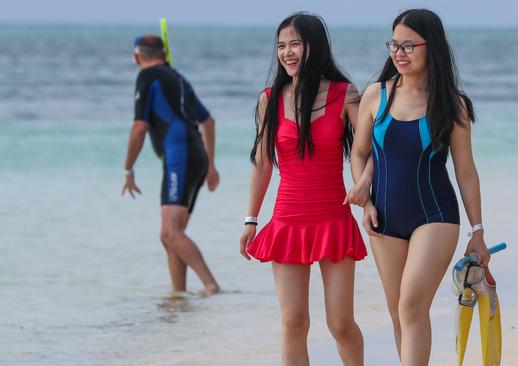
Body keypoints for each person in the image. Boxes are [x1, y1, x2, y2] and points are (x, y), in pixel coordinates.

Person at [346, 9, 491, 365]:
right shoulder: (375, 95)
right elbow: (359, 153)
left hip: (436, 214)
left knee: (411, 303)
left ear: (432, 47)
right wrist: (365, 199)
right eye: (394, 44)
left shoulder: (451, 105)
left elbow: (466, 172)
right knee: (400, 313)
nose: (399, 52)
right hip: (383, 217)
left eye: (409, 45)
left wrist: (478, 231)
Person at [239, 12, 368, 366]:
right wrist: (251, 219)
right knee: (293, 322)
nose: (287, 52)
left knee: (340, 323)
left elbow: (372, 149)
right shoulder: (270, 98)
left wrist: (366, 183)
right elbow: (263, 163)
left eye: (295, 43)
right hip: (288, 220)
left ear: (315, 45)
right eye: (281, 45)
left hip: (333, 218)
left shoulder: (346, 94)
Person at [122, 35, 220, 296]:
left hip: (180, 156)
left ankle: (211, 286)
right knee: (171, 236)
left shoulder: (147, 77)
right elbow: (208, 121)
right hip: (195, 156)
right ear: (163, 54)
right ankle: (179, 295)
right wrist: (210, 165)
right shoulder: (178, 78)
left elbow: (139, 127)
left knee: (170, 232)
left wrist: (128, 168)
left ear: (136, 56)